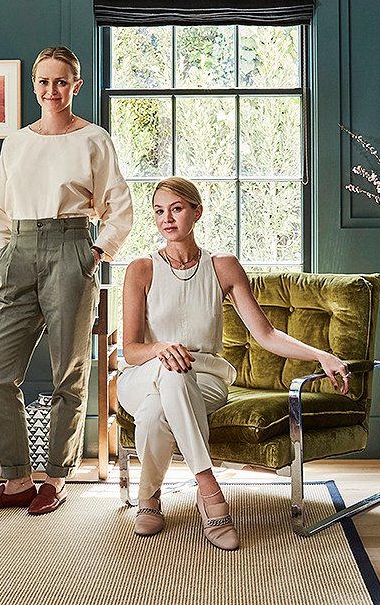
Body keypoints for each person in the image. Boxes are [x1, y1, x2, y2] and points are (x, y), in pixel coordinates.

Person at [116, 177, 350, 550]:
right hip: (142, 375)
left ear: (197, 211)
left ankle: (149, 498)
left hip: (204, 378)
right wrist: (160, 349)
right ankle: (209, 491)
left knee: (158, 407)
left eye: (176, 208)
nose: (167, 219)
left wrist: (321, 355)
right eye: (159, 211)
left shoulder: (222, 266)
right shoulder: (141, 269)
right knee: (168, 376)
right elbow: (130, 349)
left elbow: (266, 334)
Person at [0, 46, 133, 514]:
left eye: (62, 82)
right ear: (33, 86)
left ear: (76, 86)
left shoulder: (93, 140)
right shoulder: (16, 143)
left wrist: (97, 253)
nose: (51, 90)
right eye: (44, 82)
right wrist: (3, 251)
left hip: (71, 247)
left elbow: (118, 207)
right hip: (17, 251)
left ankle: (56, 479)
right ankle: (17, 479)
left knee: (69, 372)